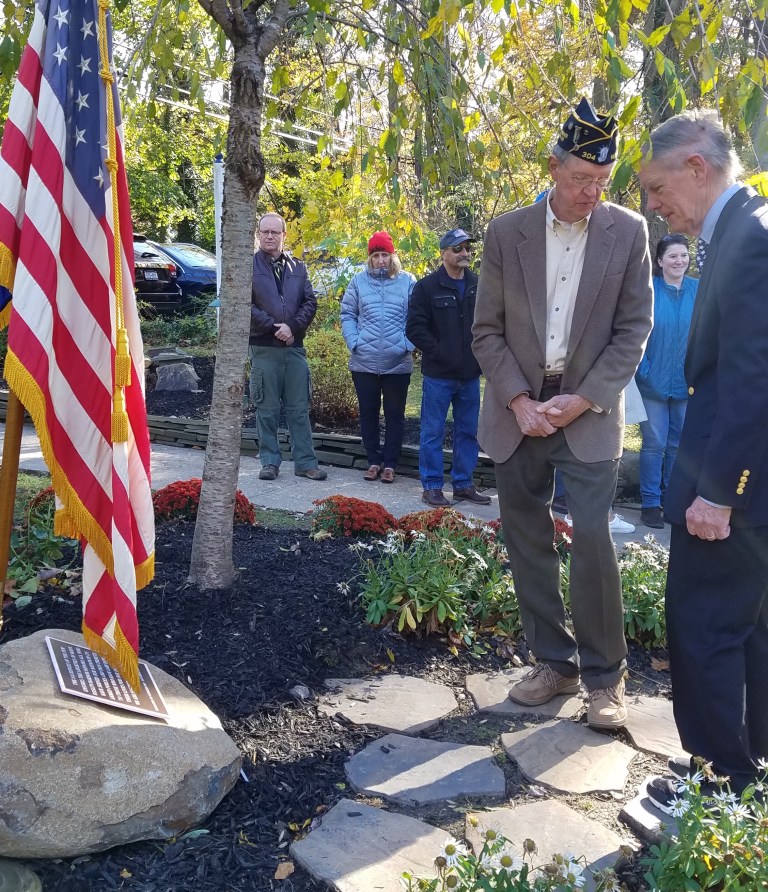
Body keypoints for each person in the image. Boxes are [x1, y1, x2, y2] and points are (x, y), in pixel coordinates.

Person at [472, 97, 653, 729]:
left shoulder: (629, 232)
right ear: (554, 168)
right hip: (517, 410)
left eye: (601, 182)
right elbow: (485, 333)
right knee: (526, 541)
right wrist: (520, 401)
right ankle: (554, 663)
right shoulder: (505, 232)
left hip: (589, 411)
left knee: (595, 542)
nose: (592, 193)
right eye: (581, 180)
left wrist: (581, 399)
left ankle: (607, 679)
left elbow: (634, 330)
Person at [638, 112, 768, 813]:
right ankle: (748, 772)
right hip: (750, 487)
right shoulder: (741, 231)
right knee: (746, 631)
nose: (654, 204)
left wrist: (720, 493)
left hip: (735, 490)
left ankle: (720, 783)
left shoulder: (749, 239)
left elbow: (754, 380)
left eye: (658, 186)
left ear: (695, 166)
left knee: (704, 630)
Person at [406, 228, 492, 508]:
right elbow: (414, 329)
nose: (465, 253)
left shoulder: (479, 285)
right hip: (438, 376)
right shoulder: (427, 287)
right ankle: (431, 486)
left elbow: (490, 326)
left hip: (469, 376)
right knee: (433, 432)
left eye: (467, 248)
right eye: (458, 249)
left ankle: (463, 484)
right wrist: (440, 353)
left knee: (468, 432)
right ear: (443, 254)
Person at [249, 213, 327, 481]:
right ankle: (269, 461)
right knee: (267, 409)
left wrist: (292, 327)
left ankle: (306, 463)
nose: (270, 236)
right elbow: (245, 306)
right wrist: (274, 328)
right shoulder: (248, 267)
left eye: (275, 232)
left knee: (298, 409)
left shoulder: (298, 267)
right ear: (258, 235)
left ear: (284, 235)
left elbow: (310, 303)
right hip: (264, 349)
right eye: (265, 232)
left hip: (294, 350)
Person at [340, 232, 415, 483]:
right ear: (370, 259)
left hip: (398, 362)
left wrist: (408, 344)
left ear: (392, 256)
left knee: (395, 414)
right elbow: (348, 314)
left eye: (385, 255)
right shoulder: (358, 282)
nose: (381, 260)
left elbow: (418, 317)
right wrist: (354, 342)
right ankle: (373, 460)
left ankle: (391, 463)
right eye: (376, 256)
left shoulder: (407, 282)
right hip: (364, 361)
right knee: (368, 412)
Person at [635, 234, 698, 529]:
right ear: (659, 261)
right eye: (672, 256)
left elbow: (707, 332)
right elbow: (634, 333)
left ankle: (673, 501)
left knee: (678, 444)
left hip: (687, 382)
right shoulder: (648, 291)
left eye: (683, 255)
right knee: (654, 443)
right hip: (652, 383)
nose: (679, 261)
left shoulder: (698, 291)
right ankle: (650, 503)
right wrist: (644, 370)